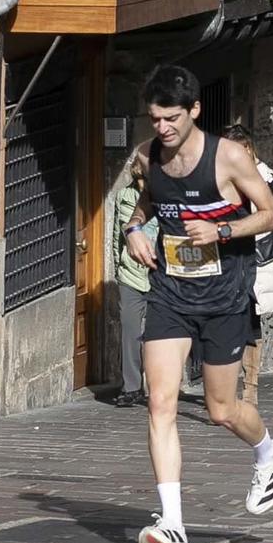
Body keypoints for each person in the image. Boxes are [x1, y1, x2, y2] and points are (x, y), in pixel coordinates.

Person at [123, 65, 273, 543]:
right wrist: (134, 232)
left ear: (194, 110)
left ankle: (269, 451)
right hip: (171, 294)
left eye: (172, 118)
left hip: (224, 297)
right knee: (160, 403)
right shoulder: (147, 158)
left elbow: (272, 215)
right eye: (155, 119)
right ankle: (172, 524)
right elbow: (145, 207)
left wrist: (220, 232)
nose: (163, 128)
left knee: (220, 411)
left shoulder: (229, 158)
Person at [222, 121, 273, 414]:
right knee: (225, 321)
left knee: (250, 321)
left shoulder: (263, 176)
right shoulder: (219, 177)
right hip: (225, 260)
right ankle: (225, 391)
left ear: (248, 149)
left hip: (255, 260)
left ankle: (250, 390)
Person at [109, 168, 151, 406]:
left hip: (158, 271)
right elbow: (117, 233)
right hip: (131, 272)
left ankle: (157, 387)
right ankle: (131, 386)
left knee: (157, 335)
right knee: (130, 329)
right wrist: (119, 267)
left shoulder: (165, 196)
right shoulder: (124, 196)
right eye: (141, 177)